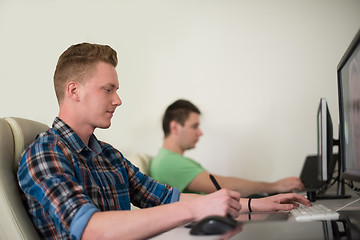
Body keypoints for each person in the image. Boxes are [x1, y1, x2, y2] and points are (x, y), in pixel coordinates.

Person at [17, 43, 311, 240]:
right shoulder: (44, 153)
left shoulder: (107, 155)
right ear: (74, 91)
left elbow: (167, 197)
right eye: (108, 89)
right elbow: (92, 230)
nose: (118, 100)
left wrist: (260, 205)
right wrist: (197, 210)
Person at [150, 99, 305, 197]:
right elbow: (223, 186)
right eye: (195, 126)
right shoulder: (168, 162)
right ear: (175, 127)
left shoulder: (169, 159)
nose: (200, 132)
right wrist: (274, 186)